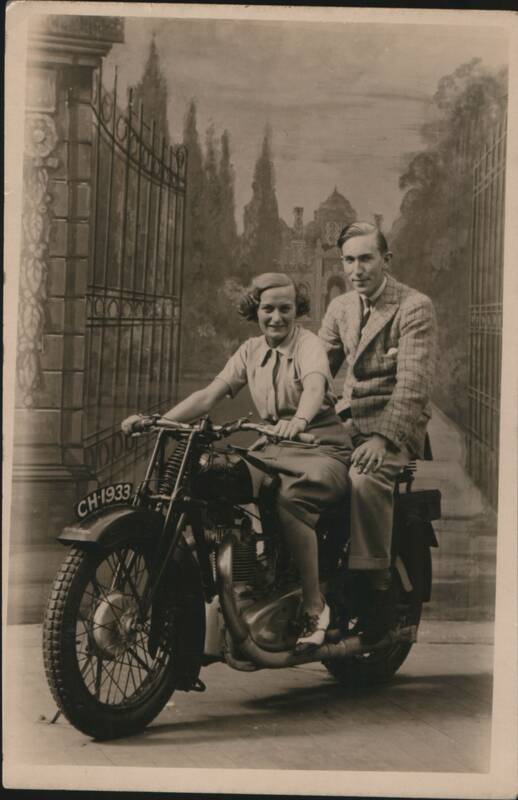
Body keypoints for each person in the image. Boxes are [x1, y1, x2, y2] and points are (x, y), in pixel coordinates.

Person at [122, 272, 351, 651]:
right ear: (255, 310)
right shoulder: (251, 351)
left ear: (298, 312)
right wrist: (159, 420)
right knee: (212, 481)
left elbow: (313, 387)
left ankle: (314, 606)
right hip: (272, 447)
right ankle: (245, 580)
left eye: (285, 309)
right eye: (268, 309)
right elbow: (209, 395)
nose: (276, 317)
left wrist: (299, 421)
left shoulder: (308, 345)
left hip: (319, 445)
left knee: (290, 500)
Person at [318, 221, 437, 645]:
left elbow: (413, 387)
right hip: (347, 424)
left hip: (393, 428)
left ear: (386, 260)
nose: (356, 269)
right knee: (290, 471)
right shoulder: (340, 309)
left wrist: (383, 439)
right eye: (348, 260)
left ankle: (375, 593)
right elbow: (317, 373)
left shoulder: (413, 306)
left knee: (363, 480)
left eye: (365, 258)